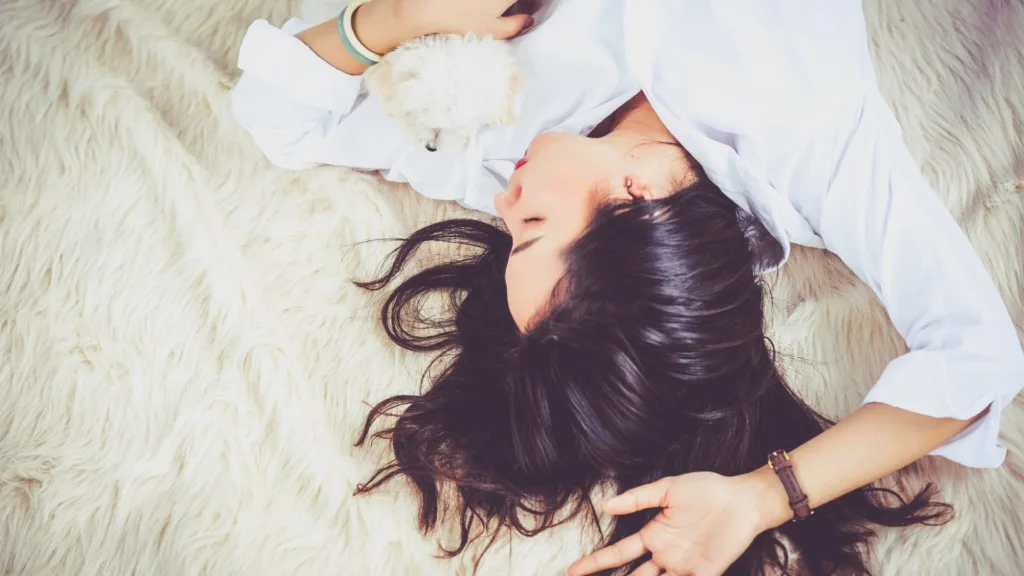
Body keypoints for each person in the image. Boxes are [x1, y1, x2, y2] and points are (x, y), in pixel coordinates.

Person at [231, 1, 1024, 574]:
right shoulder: (809, 137)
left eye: (511, 238)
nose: (505, 203)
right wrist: (760, 498)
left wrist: (391, 21)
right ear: (640, 199)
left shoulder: (505, 146)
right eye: (532, 226)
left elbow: (282, 119)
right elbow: (977, 357)